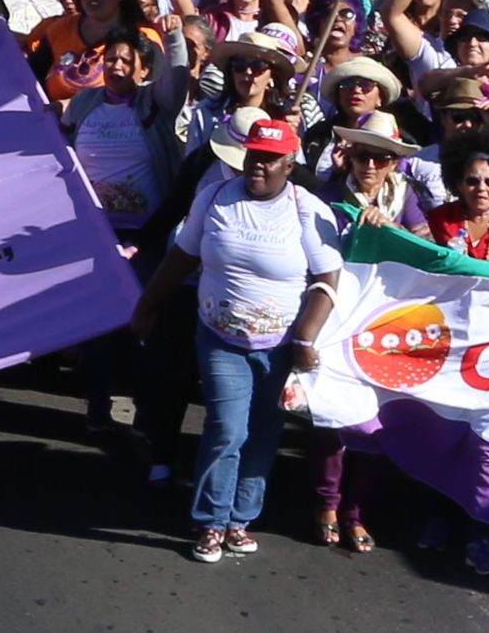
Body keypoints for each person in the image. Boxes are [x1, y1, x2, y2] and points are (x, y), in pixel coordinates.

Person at [134, 116, 341, 564]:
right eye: (253, 157)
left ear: (289, 164)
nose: (258, 167)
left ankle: (240, 519)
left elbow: (328, 276)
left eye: (269, 160)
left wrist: (306, 336)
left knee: (264, 430)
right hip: (219, 337)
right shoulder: (214, 198)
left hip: (278, 345)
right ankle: (210, 520)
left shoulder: (308, 211)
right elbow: (181, 257)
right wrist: (147, 304)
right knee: (227, 426)